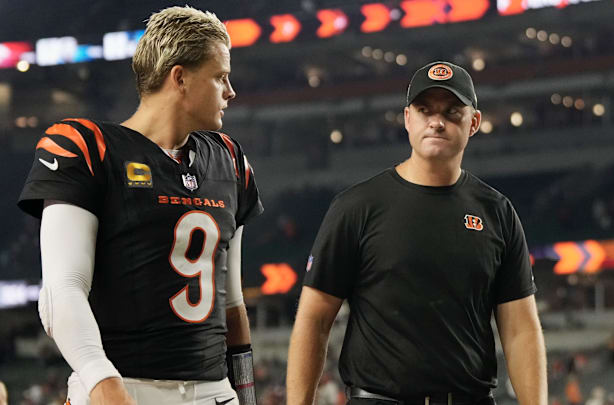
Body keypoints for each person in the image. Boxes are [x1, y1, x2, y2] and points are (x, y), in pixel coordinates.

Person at [17, 6, 263, 405]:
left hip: (214, 392)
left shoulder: (230, 160)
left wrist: (247, 395)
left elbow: (231, 303)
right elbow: (62, 290)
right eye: (220, 77)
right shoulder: (88, 147)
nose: (230, 91)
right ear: (179, 78)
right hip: (122, 384)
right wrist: (100, 379)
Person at [287, 61, 547, 405]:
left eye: (452, 111)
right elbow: (314, 320)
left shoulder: (497, 212)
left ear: (474, 123)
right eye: (425, 110)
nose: (437, 122)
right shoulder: (357, 206)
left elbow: (520, 331)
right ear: (408, 118)